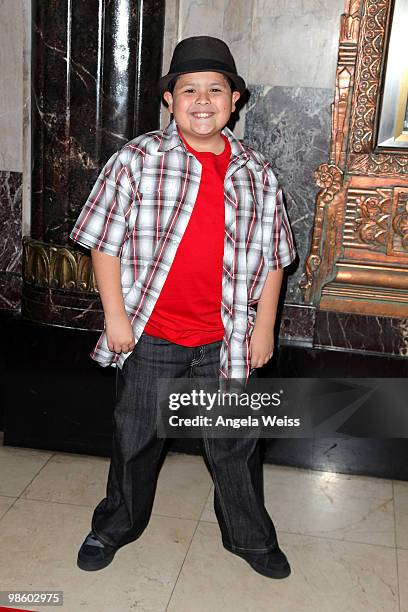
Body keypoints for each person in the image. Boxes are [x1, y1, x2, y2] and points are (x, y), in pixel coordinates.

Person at [70, 36, 296, 579]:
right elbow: (104, 243)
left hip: (227, 341)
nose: (202, 99)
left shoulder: (258, 174)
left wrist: (264, 327)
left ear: (234, 101)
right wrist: (116, 316)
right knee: (137, 437)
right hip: (152, 334)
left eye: (215, 89)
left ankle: (249, 536)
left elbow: (274, 260)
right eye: (188, 89)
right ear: (169, 99)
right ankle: (115, 525)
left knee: (234, 443)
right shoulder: (138, 160)